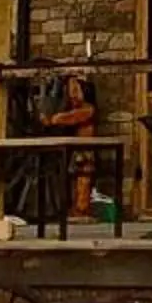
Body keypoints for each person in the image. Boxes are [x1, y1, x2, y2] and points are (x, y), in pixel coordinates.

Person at [35, 69, 100, 218]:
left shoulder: (88, 109)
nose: (73, 96)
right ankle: (74, 207)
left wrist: (52, 119)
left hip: (85, 150)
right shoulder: (76, 108)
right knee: (74, 179)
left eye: (76, 91)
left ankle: (81, 209)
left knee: (83, 179)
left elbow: (70, 118)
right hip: (75, 149)